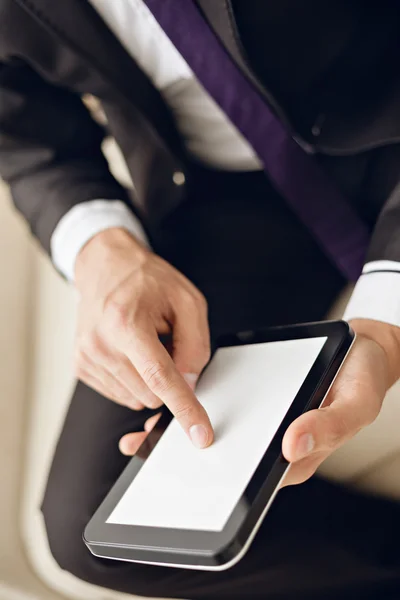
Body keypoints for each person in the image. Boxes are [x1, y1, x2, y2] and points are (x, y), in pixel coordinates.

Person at [2, 1, 400, 598]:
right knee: (101, 525)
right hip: (218, 198)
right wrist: (103, 251)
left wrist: (387, 322)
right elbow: (26, 135)